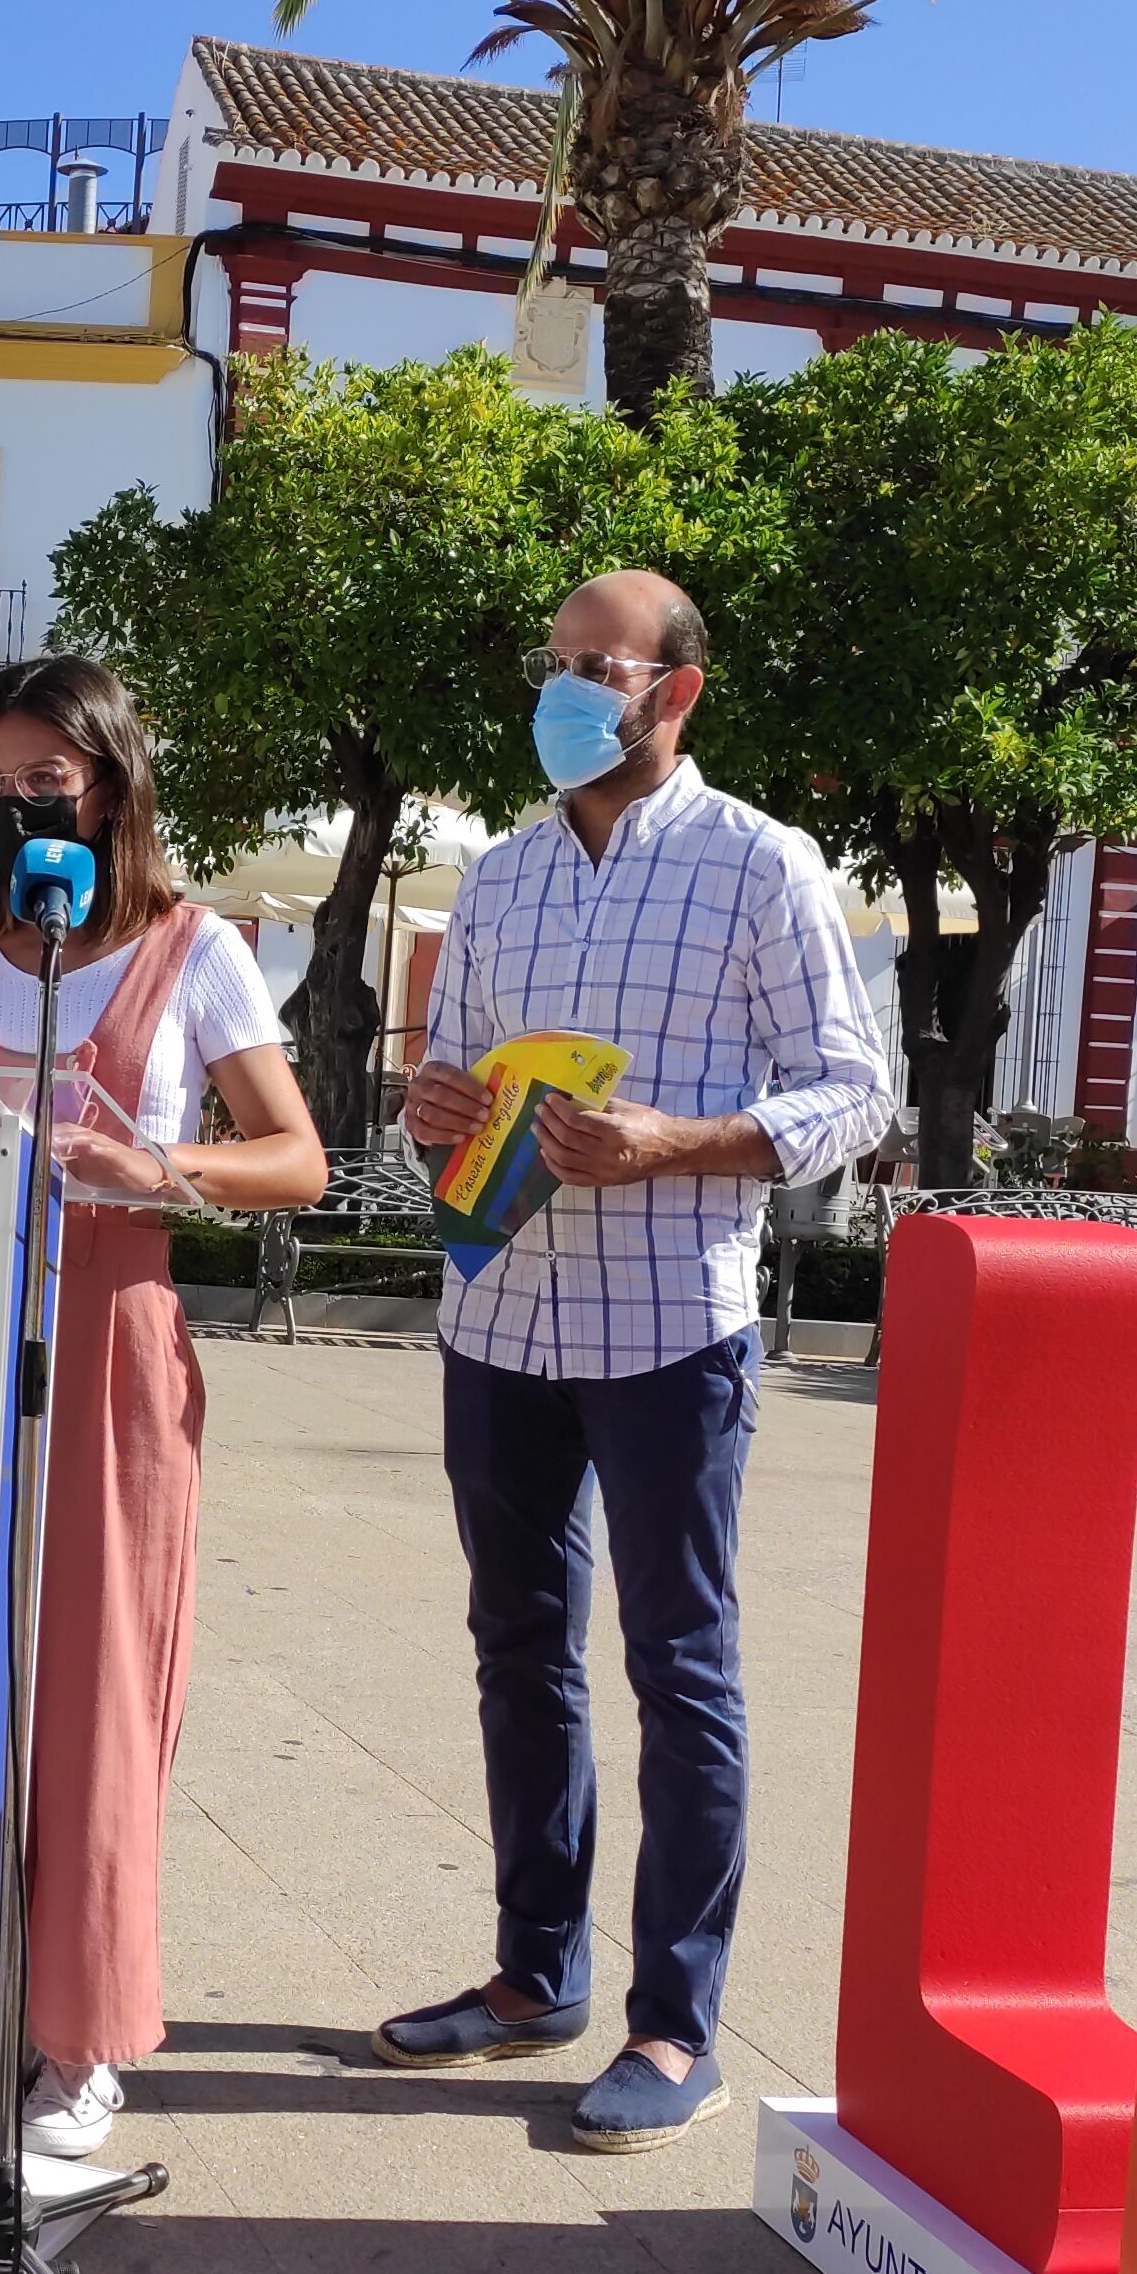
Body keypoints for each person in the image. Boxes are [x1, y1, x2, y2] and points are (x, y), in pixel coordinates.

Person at [374, 571, 893, 2151]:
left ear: (676, 692)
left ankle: (676, 2025)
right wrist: (429, 1120)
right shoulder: (505, 875)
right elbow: (439, 1093)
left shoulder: (759, 863)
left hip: (670, 1325)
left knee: (681, 1667)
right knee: (516, 1650)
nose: (567, 695)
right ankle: (537, 1977)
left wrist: (683, 1141)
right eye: (554, 667)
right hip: (499, 1317)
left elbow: (851, 1092)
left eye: (597, 667)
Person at [0, 655, 327, 2157]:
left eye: (47, 783)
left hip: (111, 1334)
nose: (16, 810)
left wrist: (168, 1169)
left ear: (111, 783)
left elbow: (299, 1159)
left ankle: (81, 2037)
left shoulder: (191, 950)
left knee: (93, 1690)